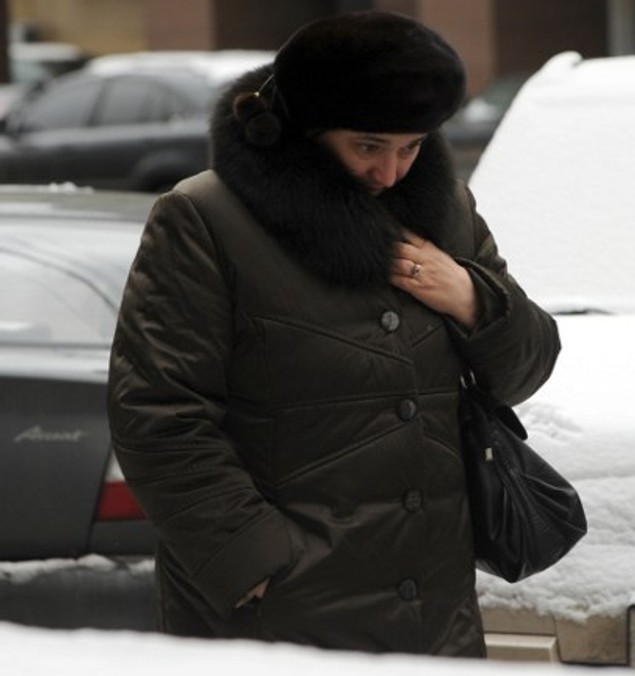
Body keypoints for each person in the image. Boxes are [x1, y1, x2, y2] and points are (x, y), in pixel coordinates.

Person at [106, 11, 559, 656]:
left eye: (412, 147)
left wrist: (471, 298)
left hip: (433, 609)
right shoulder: (206, 219)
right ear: (303, 129)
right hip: (278, 614)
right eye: (368, 146)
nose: (392, 173)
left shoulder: (446, 210)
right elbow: (157, 413)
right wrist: (255, 564)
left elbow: (527, 369)